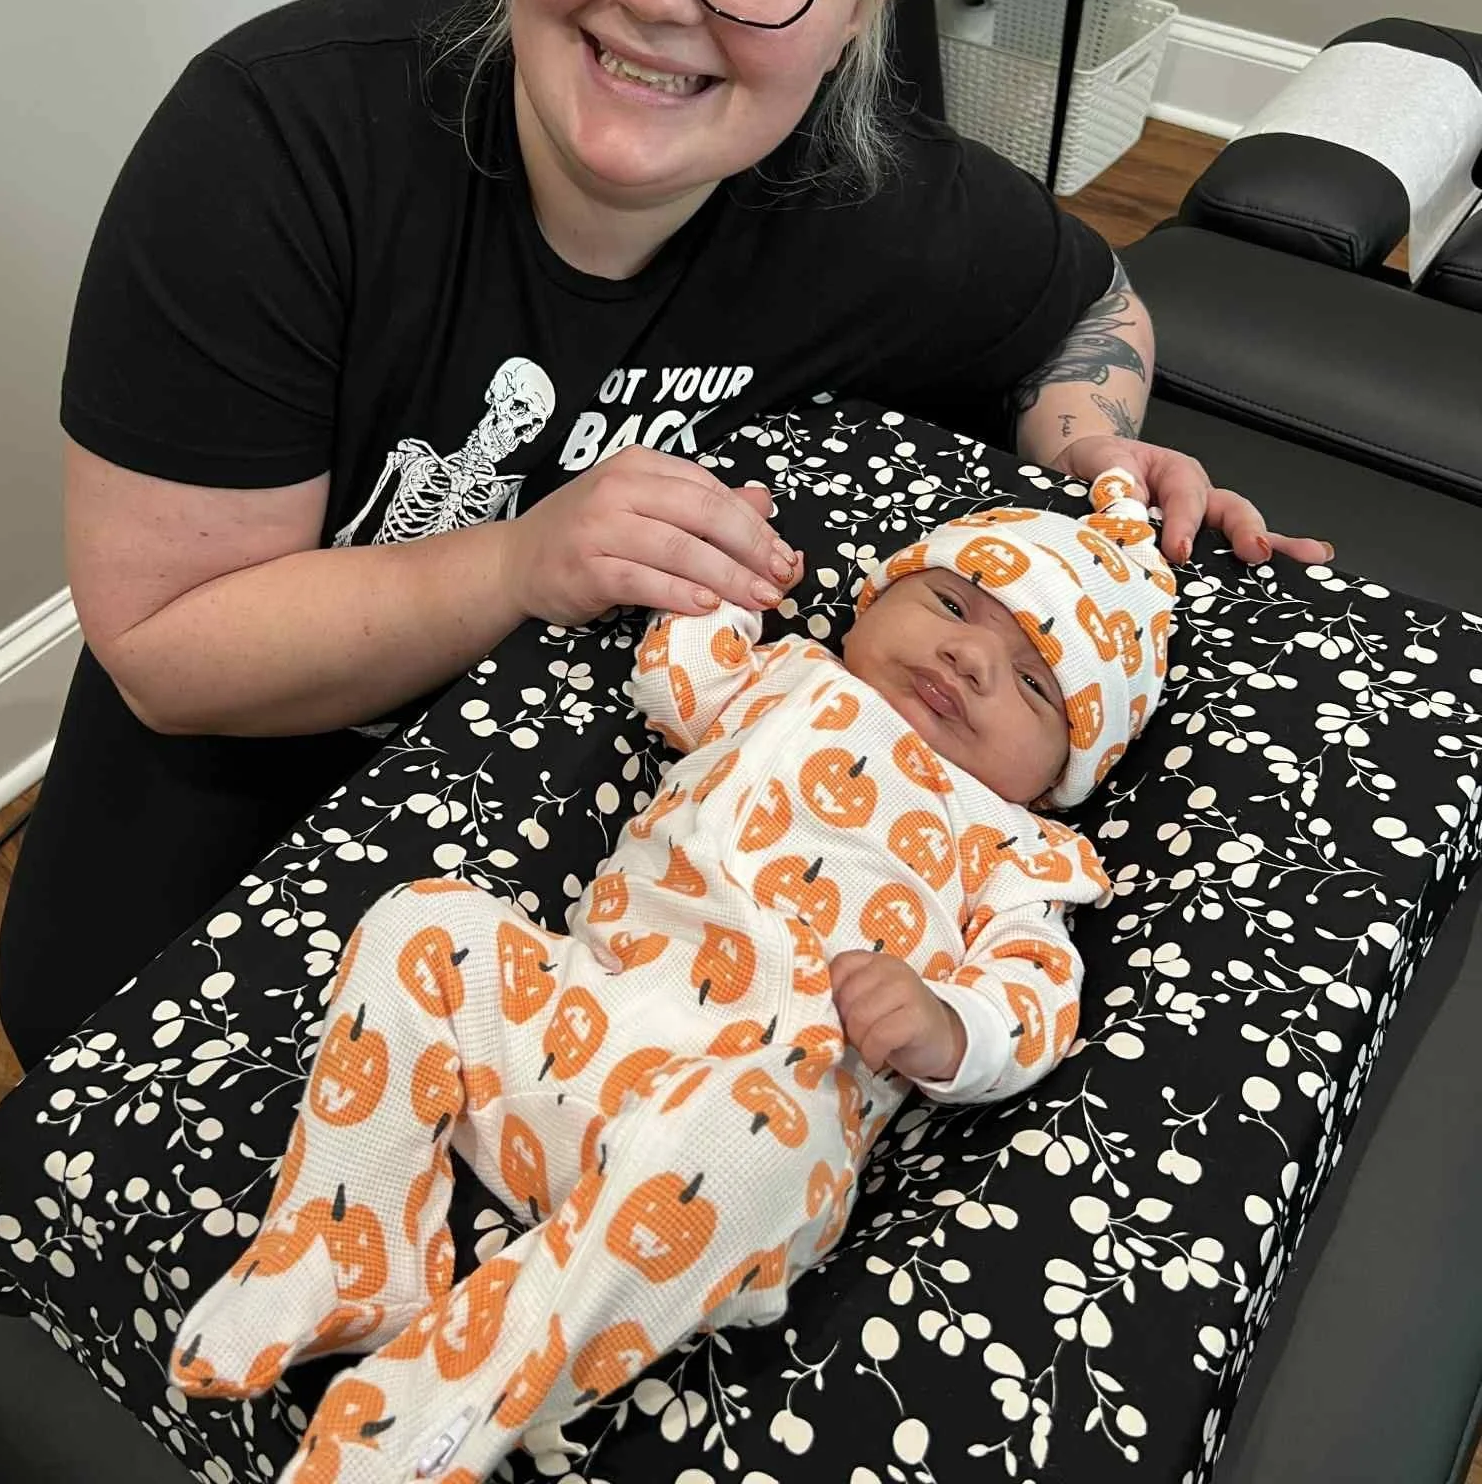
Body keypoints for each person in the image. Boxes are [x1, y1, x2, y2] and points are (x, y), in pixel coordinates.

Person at [0, 0, 1332, 1070]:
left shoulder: (866, 199)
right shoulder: (273, 148)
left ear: (860, 3)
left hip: (624, 910)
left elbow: (1089, 305)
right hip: (231, 855)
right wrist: (521, 562)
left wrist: (1086, 454)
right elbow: (168, 648)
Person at [167, 470, 1174, 1484]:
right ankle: (350, 1240)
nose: (969, 658)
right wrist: (728, 577)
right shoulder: (790, 677)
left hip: (745, 1110)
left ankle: (457, 1397)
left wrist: (946, 1027)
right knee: (423, 925)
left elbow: (1034, 993)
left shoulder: (1016, 846)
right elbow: (677, 679)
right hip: (571, 1020)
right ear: (873, 601)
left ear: (1061, 777)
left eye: (1035, 683)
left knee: (759, 1136)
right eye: (951, 605)